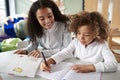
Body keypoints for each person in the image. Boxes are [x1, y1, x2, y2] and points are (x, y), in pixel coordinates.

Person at [40, 11, 118, 73]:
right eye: (78, 33)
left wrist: (90, 68)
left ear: (96, 34)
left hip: (94, 74)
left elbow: (113, 65)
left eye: (86, 35)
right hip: (77, 71)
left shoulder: (102, 45)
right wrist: (49, 61)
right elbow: (65, 52)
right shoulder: (76, 41)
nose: (81, 38)